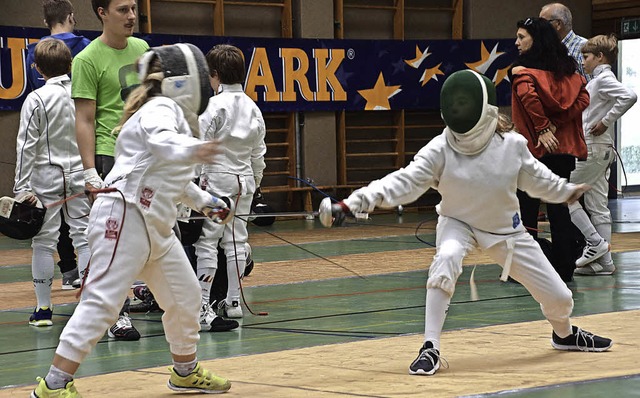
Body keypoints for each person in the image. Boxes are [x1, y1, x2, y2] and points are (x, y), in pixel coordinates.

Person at [319, 69, 613, 376]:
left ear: (484, 109)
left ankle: (564, 335)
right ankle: (429, 346)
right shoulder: (440, 149)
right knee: (445, 259)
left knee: (560, 296)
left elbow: (538, 179)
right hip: (457, 222)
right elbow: (401, 182)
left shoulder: (511, 146)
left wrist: (565, 191)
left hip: (504, 230)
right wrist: (351, 204)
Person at [31, 43, 233, 398]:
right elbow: (161, 143)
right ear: (183, 80)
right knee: (104, 302)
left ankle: (185, 372)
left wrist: (208, 202)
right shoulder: (161, 108)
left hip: (155, 226)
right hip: (125, 217)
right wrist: (195, 150)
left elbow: (172, 178)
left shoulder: (171, 116)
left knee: (185, 297)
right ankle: (53, 385)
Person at [72, 0, 149, 341]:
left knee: (155, 233)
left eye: (133, 8)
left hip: (144, 155)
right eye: (122, 10)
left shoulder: (142, 48)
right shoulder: (87, 59)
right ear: (102, 13)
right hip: (110, 156)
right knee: (113, 239)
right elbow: (85, 119)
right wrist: (90, 171)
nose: (131, 16)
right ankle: (116, 315)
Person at [14, 39, 92, 327]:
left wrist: (21, 189)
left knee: (44, 242)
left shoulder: (36, 99)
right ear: (70, 65)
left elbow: (26, 146)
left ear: (36, 69)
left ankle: (44, 309)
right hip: (80, 174)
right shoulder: (82, 94)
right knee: (83, 239)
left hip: (46, 177)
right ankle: (88, 306)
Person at [511, 17, 590, 282]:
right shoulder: (572, 74)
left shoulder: (524, 72)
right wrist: (557, 123)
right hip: (564, 151)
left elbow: (527, 96)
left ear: (537, 40)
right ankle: (565, 267)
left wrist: (544, 127)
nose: (517, 42)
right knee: (559, 208)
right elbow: (583, 98)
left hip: (534, 150)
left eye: (522, 37)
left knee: (528, 208)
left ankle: (528, 269)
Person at [193, 44, 266, 320]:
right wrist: (256, 182)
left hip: (216, 182)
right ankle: (233, 303)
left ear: (215, 75)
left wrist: (196, 182)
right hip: (244, 182)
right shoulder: (253, 108)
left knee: (208, 242)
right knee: (236, 241)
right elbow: (259, 153)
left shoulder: (213, 106)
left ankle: (203, 304)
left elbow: (200, 147)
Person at [26, 0, 92, 291]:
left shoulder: (34, 50)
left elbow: (28, 138)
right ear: (70, 17)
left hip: (47, 154)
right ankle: (96, 295)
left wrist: (22, 185)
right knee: (85, 229)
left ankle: (65, 273)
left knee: (45, 234)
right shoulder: (87, 47)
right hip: (81, 146)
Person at [570, 34, 637, 275]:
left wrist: (606, 121)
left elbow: (630, 96)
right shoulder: (597, 80)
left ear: (600, 57)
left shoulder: (604, 79)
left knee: (563, 195)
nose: (583, 60)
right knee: (597, 205)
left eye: (586, 56)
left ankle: (595, 243)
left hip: (594, 149)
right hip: (601, 149)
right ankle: (605, 263)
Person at [539, 3, 590, 80]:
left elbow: (591, 87)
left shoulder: (583, 47)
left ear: (558, 24)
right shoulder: (545, 49)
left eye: (542, 23)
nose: (539, 28)